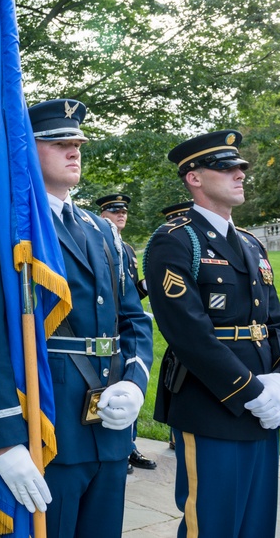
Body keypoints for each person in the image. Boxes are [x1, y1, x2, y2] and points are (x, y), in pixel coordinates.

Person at [0, 100, 153, 538]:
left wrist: (135, 385)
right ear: (26, 149)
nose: (74, 151)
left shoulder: (101, 230)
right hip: (46, 427)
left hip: (109, 424)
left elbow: (134, 320)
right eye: (59, 143)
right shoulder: (0, 225)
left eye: (78, 142)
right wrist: (3, 440)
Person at [145, 130, 280, 537]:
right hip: (214, 400)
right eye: (226, 167)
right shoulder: (176, 241)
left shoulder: (250, 243)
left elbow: (276, 322)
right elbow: (188, 333)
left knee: (256, 521)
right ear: (193, 178)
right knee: (212, 523)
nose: (240, 174)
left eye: (241, 167)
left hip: (266, 399)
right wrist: (251, 392)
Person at [95, 193, 157, 473]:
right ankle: (114, 443)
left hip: (126, 326)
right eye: (114, 210)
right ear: (103, 213)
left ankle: (129, 445)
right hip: (102, 328)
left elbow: (129, 294)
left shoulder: (128, 249)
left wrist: (146, 285)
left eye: (124, 211)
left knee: (131, 385)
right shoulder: (95, 239)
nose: (121, 214)